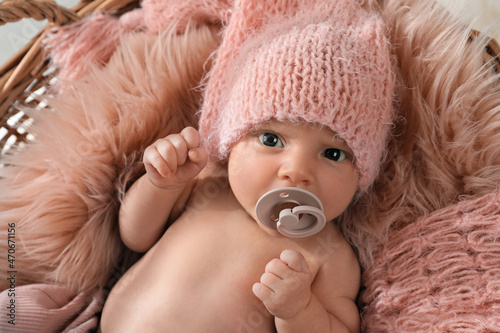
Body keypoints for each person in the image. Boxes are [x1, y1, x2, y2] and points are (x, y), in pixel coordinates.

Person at [100, 0, 395, 332]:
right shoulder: (207, 185)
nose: (296, 171)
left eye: (333, 154)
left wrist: (298, 310)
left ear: (361, 176)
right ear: (232, 143)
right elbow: (135, 237)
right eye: (270, 140)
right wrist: (161, 184)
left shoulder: (331, 257)